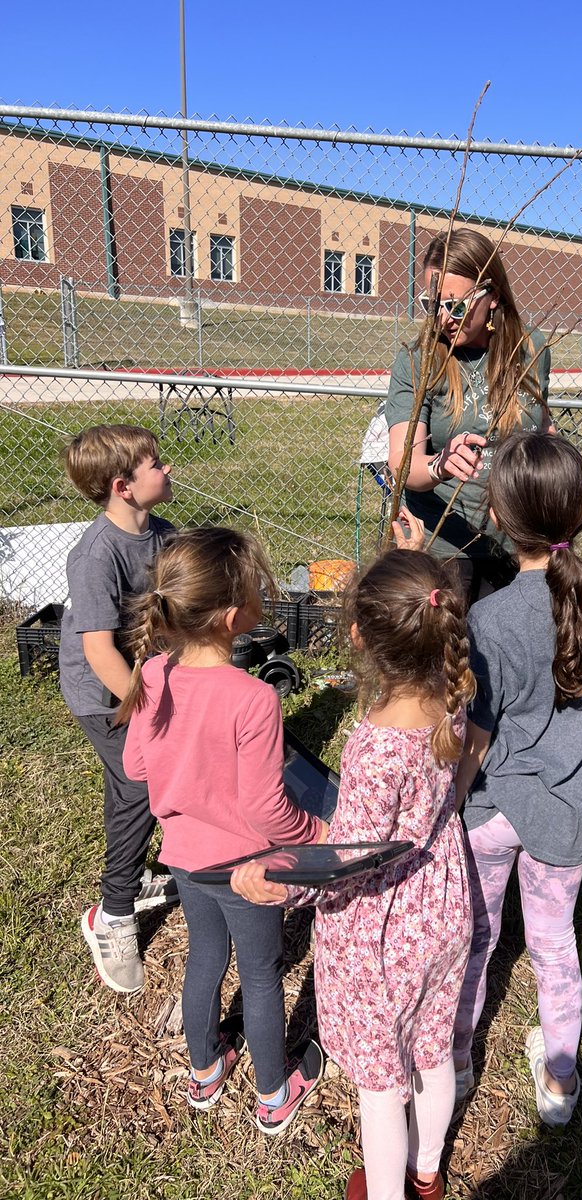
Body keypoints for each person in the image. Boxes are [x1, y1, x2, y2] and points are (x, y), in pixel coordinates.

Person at [231, 548, 475, 1200]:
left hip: (385, 929)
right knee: (431, 1048)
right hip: (444, 900)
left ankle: (390, 1190)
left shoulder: (375, 744)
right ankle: (427, 1174)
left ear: (360, 635)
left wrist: (278, 878)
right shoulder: (451, 691)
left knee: (379, 1085)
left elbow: (347, 860)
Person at [452, 431, 582, 1127]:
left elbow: (475, 737)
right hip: (570, 819)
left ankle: (452, 1067)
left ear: (500, 521)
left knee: (475, 940)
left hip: (488, 814)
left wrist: (445, 805)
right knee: (553, 943)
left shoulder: (492, 617)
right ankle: (562, 1084)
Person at [119, 527, 326, 1134]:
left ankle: (205, 1071)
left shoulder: (154, 672)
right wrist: (315, 829)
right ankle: (272, 1093)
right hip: (247, 867)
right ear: (234, 616)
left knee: (204, 958)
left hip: (184, 857)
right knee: (261, 973)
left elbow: (135, 766)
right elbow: (266, 813)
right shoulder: (253, 698)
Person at [60, 424, 178, 994]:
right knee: (141, 786)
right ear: (122, 486)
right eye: (155, 464)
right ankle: (112, 913)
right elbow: (98, 650)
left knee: (127, 787)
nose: (167, 469)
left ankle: (135, 874)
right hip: (102, 692)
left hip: (141, 683)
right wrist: (148, 708)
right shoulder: (95, 555)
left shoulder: (161, 535)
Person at [385, 227, 553, 603]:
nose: (444, 317)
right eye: (434, 304)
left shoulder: (530, 351)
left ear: (492, 295)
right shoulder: (417, 361)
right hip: (445, 548)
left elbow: (541, 429)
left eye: (456, 305)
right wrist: (439, 465)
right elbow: (401, 464)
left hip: (518, 543)